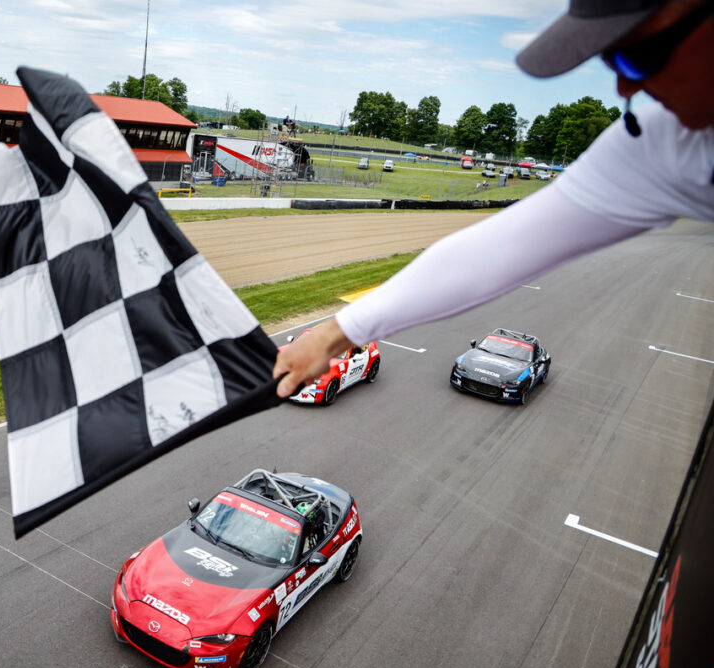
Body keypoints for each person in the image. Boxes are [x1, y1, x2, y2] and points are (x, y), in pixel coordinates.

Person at [274, 0, 714, 397]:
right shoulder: (665, 141)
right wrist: (332, 334)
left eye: (636, 56)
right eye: (609, 60)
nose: (623, 89)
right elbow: (499, 247)